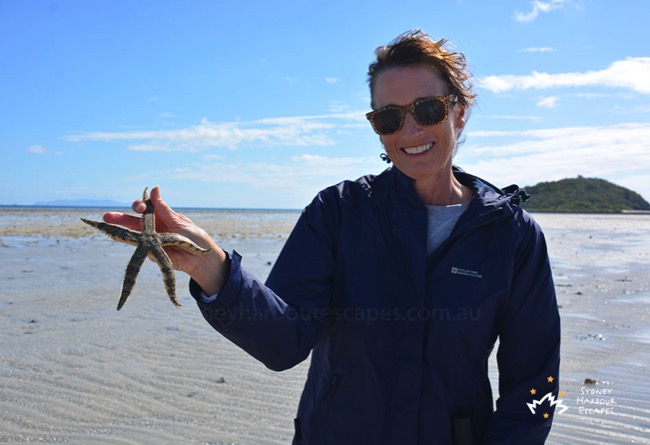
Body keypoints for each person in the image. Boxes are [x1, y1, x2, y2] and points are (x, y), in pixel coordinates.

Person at [105, 30, 561, 445]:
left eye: (427, 109)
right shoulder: (340, 212)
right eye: (388, 117)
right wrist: (210, 266)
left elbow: (535, 383)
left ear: (459, 113)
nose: (410, 130)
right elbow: (284, 342)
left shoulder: (511, 237)